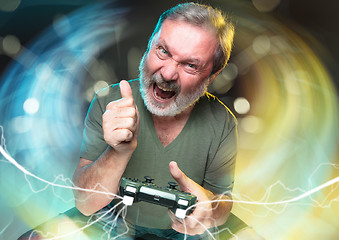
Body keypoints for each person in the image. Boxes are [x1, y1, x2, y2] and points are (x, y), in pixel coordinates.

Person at [18, 2, 241, 240]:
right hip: (113, 220)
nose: (167, 73)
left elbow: (223, 202)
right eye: (163, 51)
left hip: (184, 231)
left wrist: (210, 209)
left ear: (212, 76)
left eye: (190, 65)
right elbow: (86, 203)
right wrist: (118, 152)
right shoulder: (108, 101)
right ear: (149, 46)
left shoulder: (222, 122)